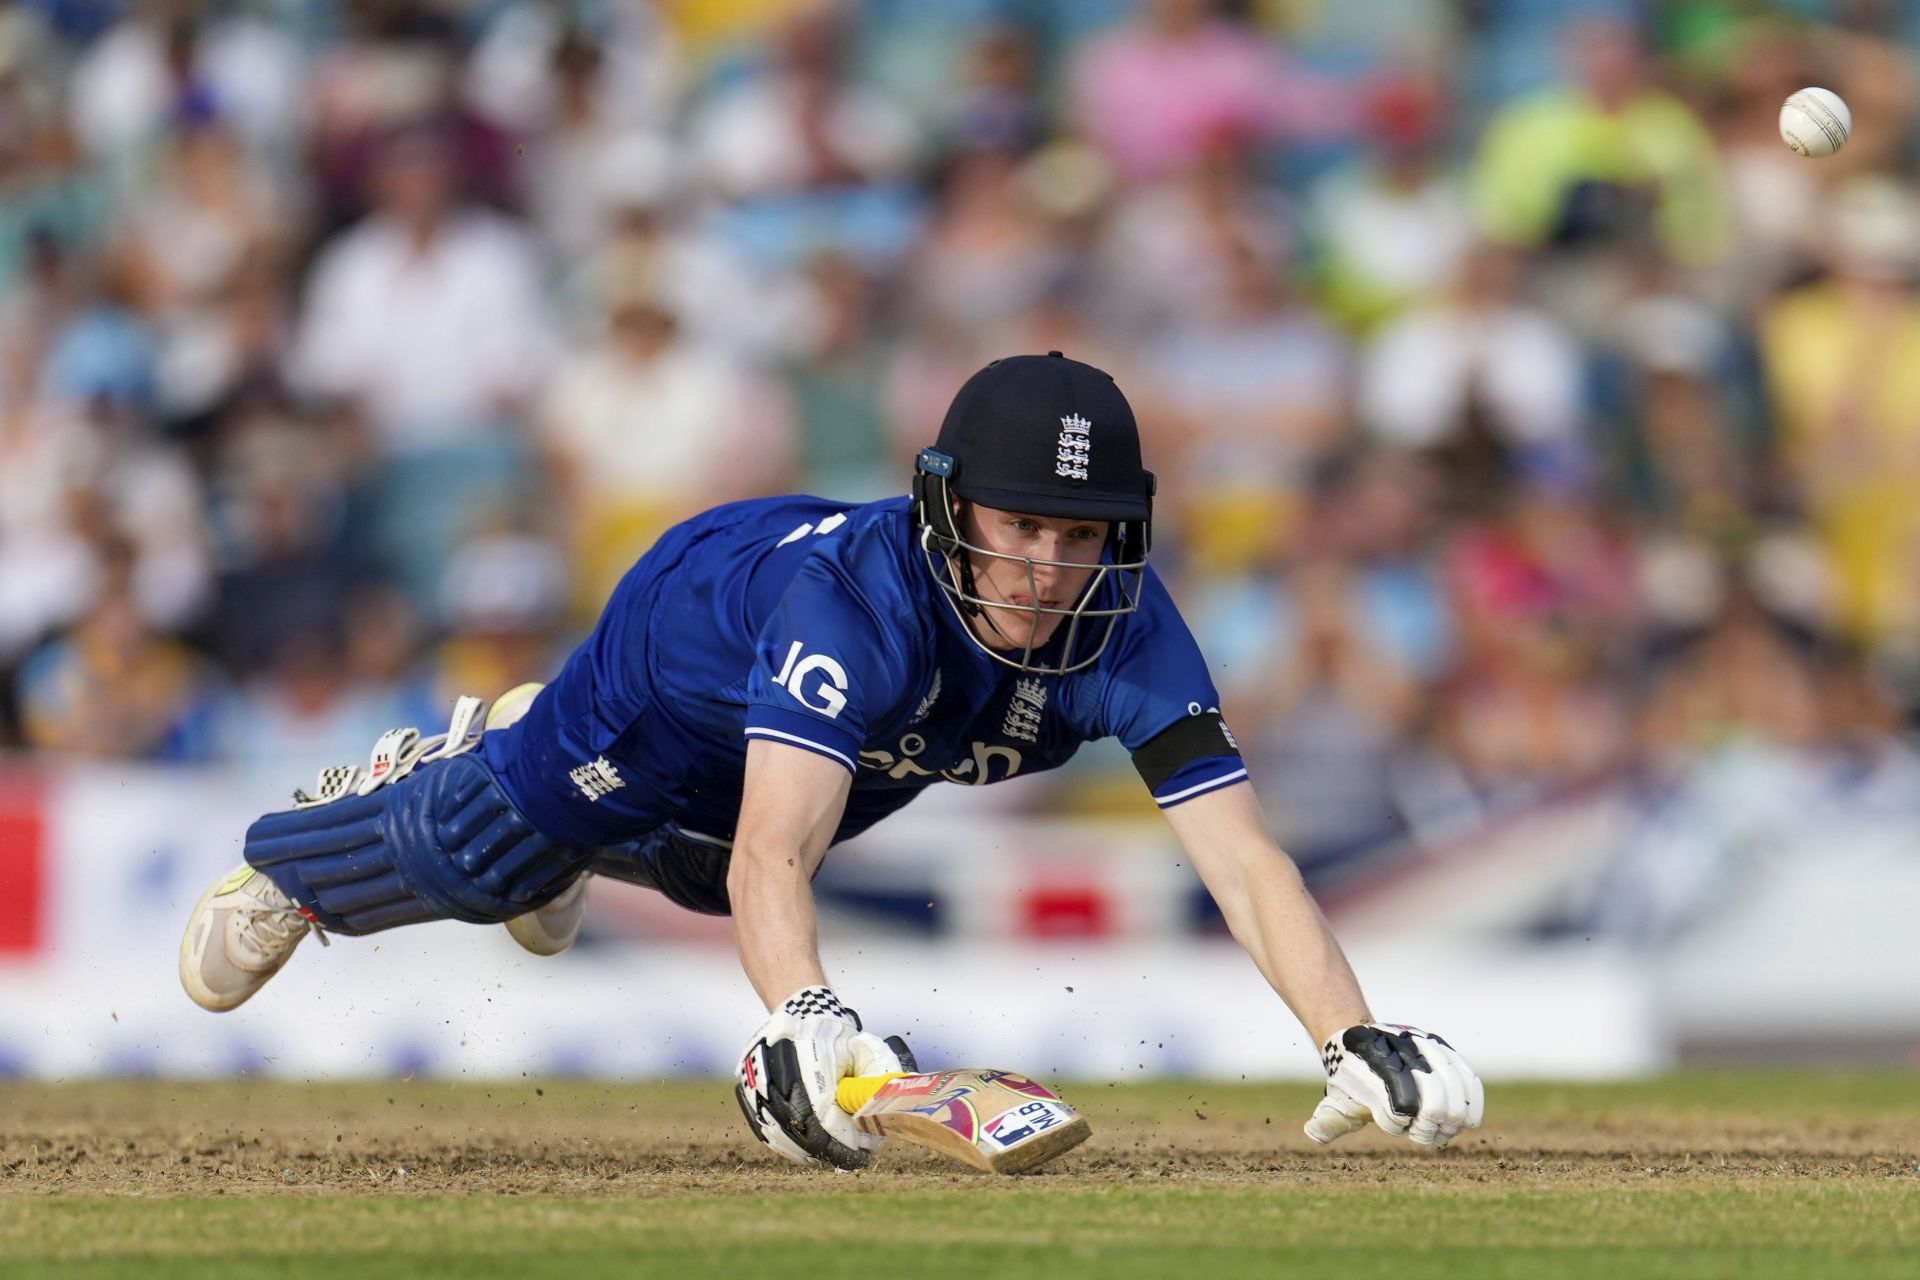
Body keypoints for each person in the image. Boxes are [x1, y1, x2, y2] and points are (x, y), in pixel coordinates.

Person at [178, 354, 1483, 1169]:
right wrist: (810, 1022)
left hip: (855, 748)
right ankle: (307, 857)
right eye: (1020, 523)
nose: (1048, 565)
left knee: (703, 883)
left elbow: (1244, 861)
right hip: (677, 666)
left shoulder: (1129, 625)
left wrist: (1351, 1037)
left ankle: (539, 800)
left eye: (1082, 533)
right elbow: (777, 853)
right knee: (480, 858)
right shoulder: (852, 615)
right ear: (948, 504)